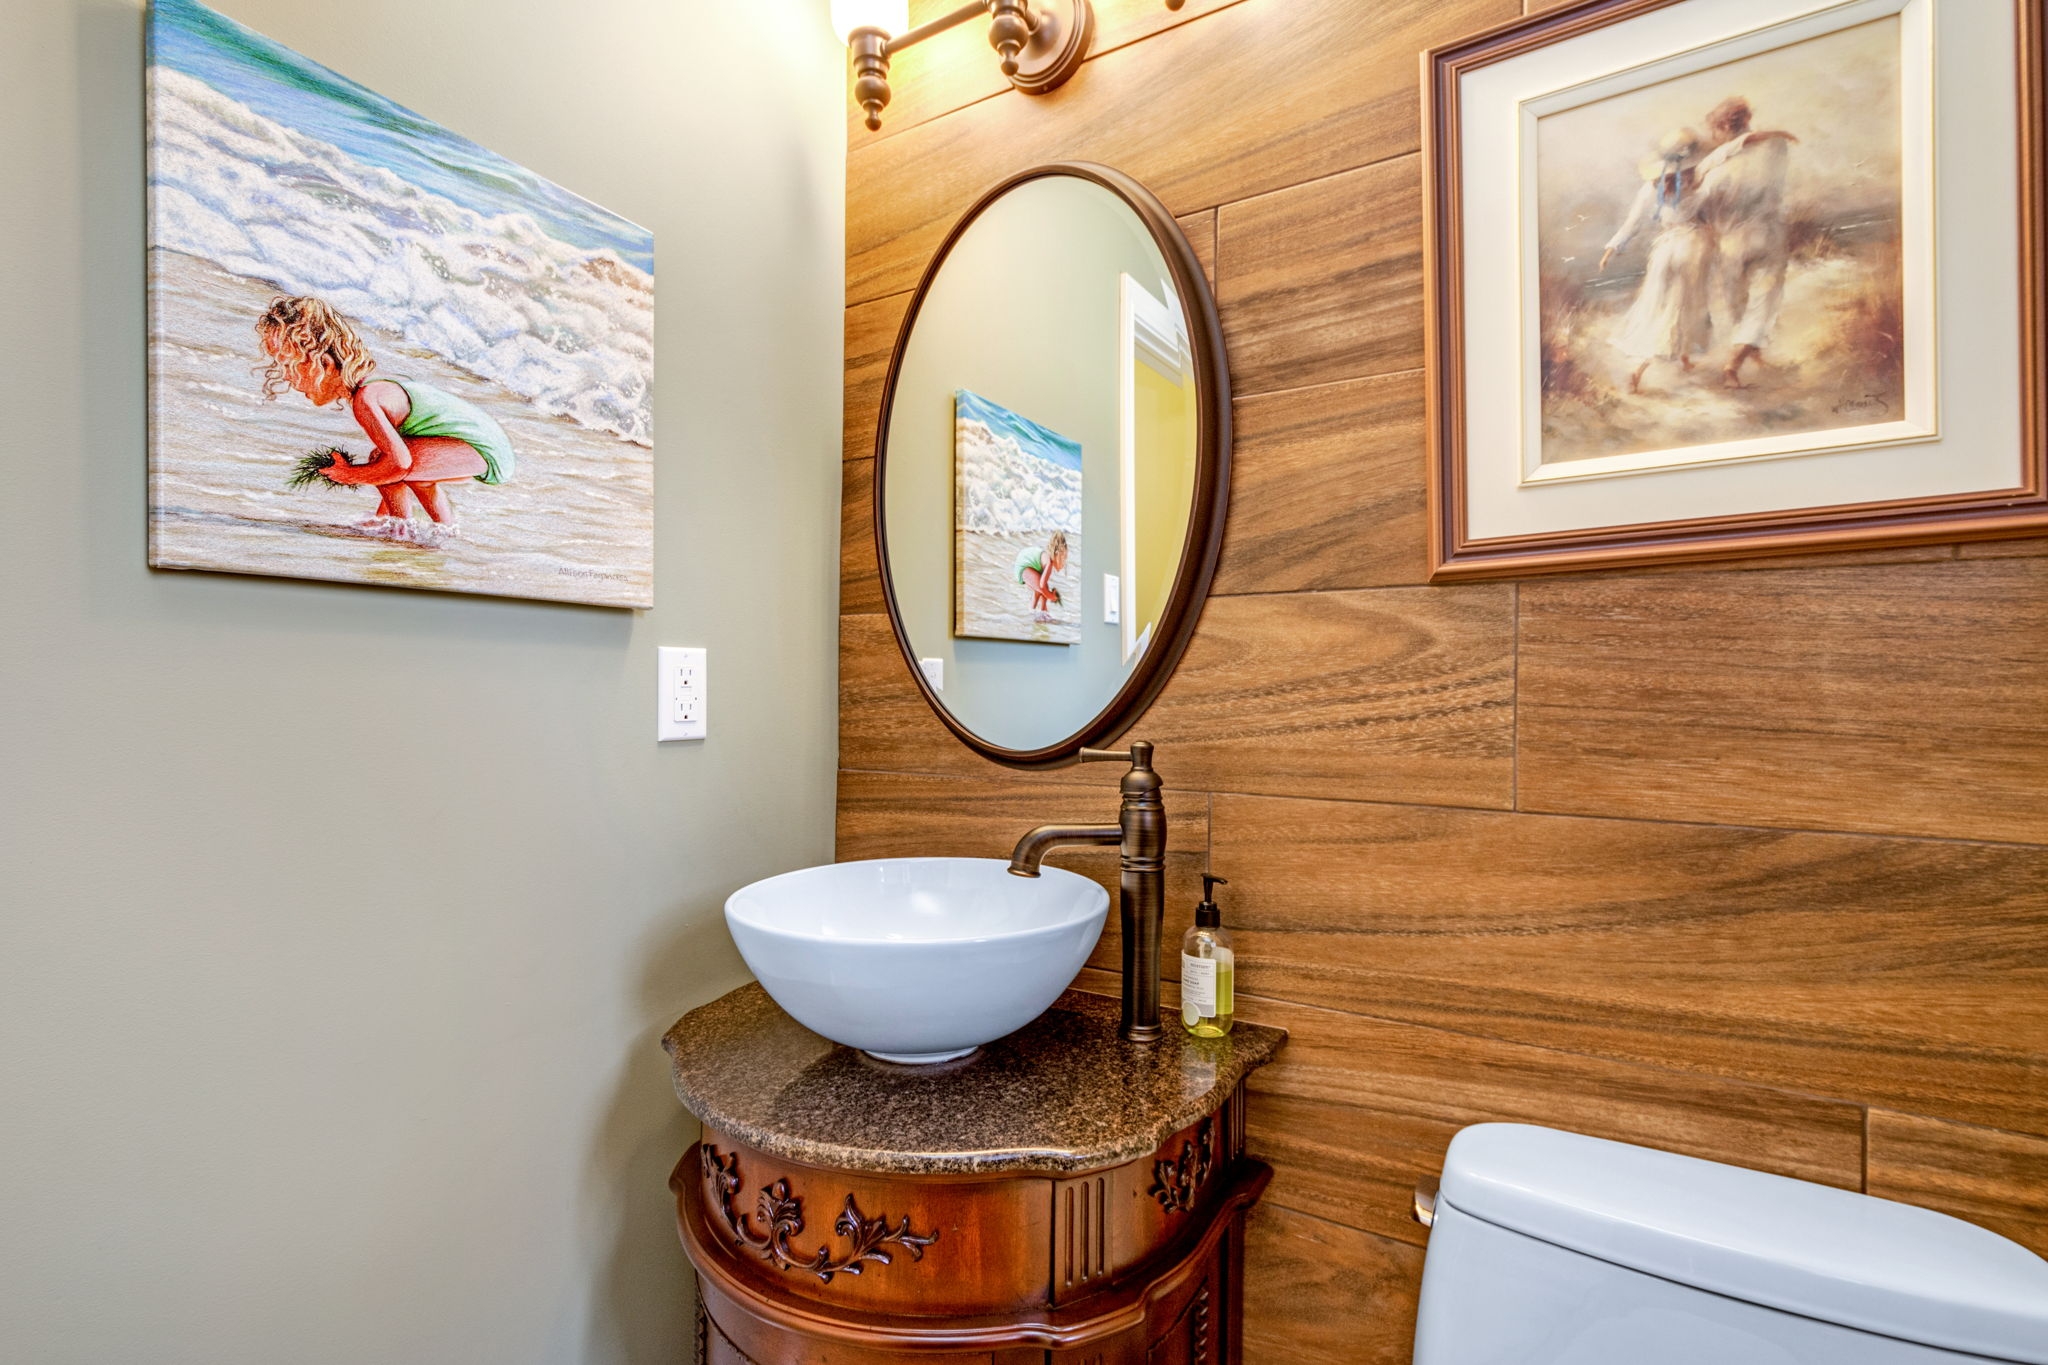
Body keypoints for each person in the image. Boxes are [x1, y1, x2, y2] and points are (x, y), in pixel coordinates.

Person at [255, 296, 515, 540]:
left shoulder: (367, 399)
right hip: (485, 449)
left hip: (482, 449)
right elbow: (398, 468)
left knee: (384, 463)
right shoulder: (375, 389)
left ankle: (400, 530)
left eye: (289, 366)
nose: (286, 376)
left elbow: (398, 466)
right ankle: (439, 531)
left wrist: (350, 475)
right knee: (394, 465)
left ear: (324, 363)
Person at [1598, 127, 1716, 394]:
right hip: (1693, 248)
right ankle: (1644, 367)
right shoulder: (1702, 185)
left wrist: (1612, 249)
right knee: (1682, 305)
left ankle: (1678, 358)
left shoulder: (1652, 187)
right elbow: (1713, 219)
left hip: (1665, 251)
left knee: (1657, 306)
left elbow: (1633, 223)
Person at [1694, 96, 1799, 388]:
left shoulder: (1711, 172)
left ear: (1723, 127)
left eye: (1714, 130)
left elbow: (1701, 212)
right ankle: (1746, 358)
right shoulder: (1775, 146)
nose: (1712, 137)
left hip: (1731, 242)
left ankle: (1734, 363)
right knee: (1764, 300)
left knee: (1731, 304)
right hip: (1769, 235)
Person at [1014, 529, 1069, 622]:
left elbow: (1042, 586)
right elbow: (1042, 586)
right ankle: (1039, 614)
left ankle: (1038, 612)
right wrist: (1051, 596)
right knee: (1043, 588)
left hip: (1029, 565)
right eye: (1063, 559)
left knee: (1041, 590)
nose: (1064, 563)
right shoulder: (1048, 563)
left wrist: (1047, 594)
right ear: (1057, 554)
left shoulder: (1047, 560)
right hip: (1024, 566)